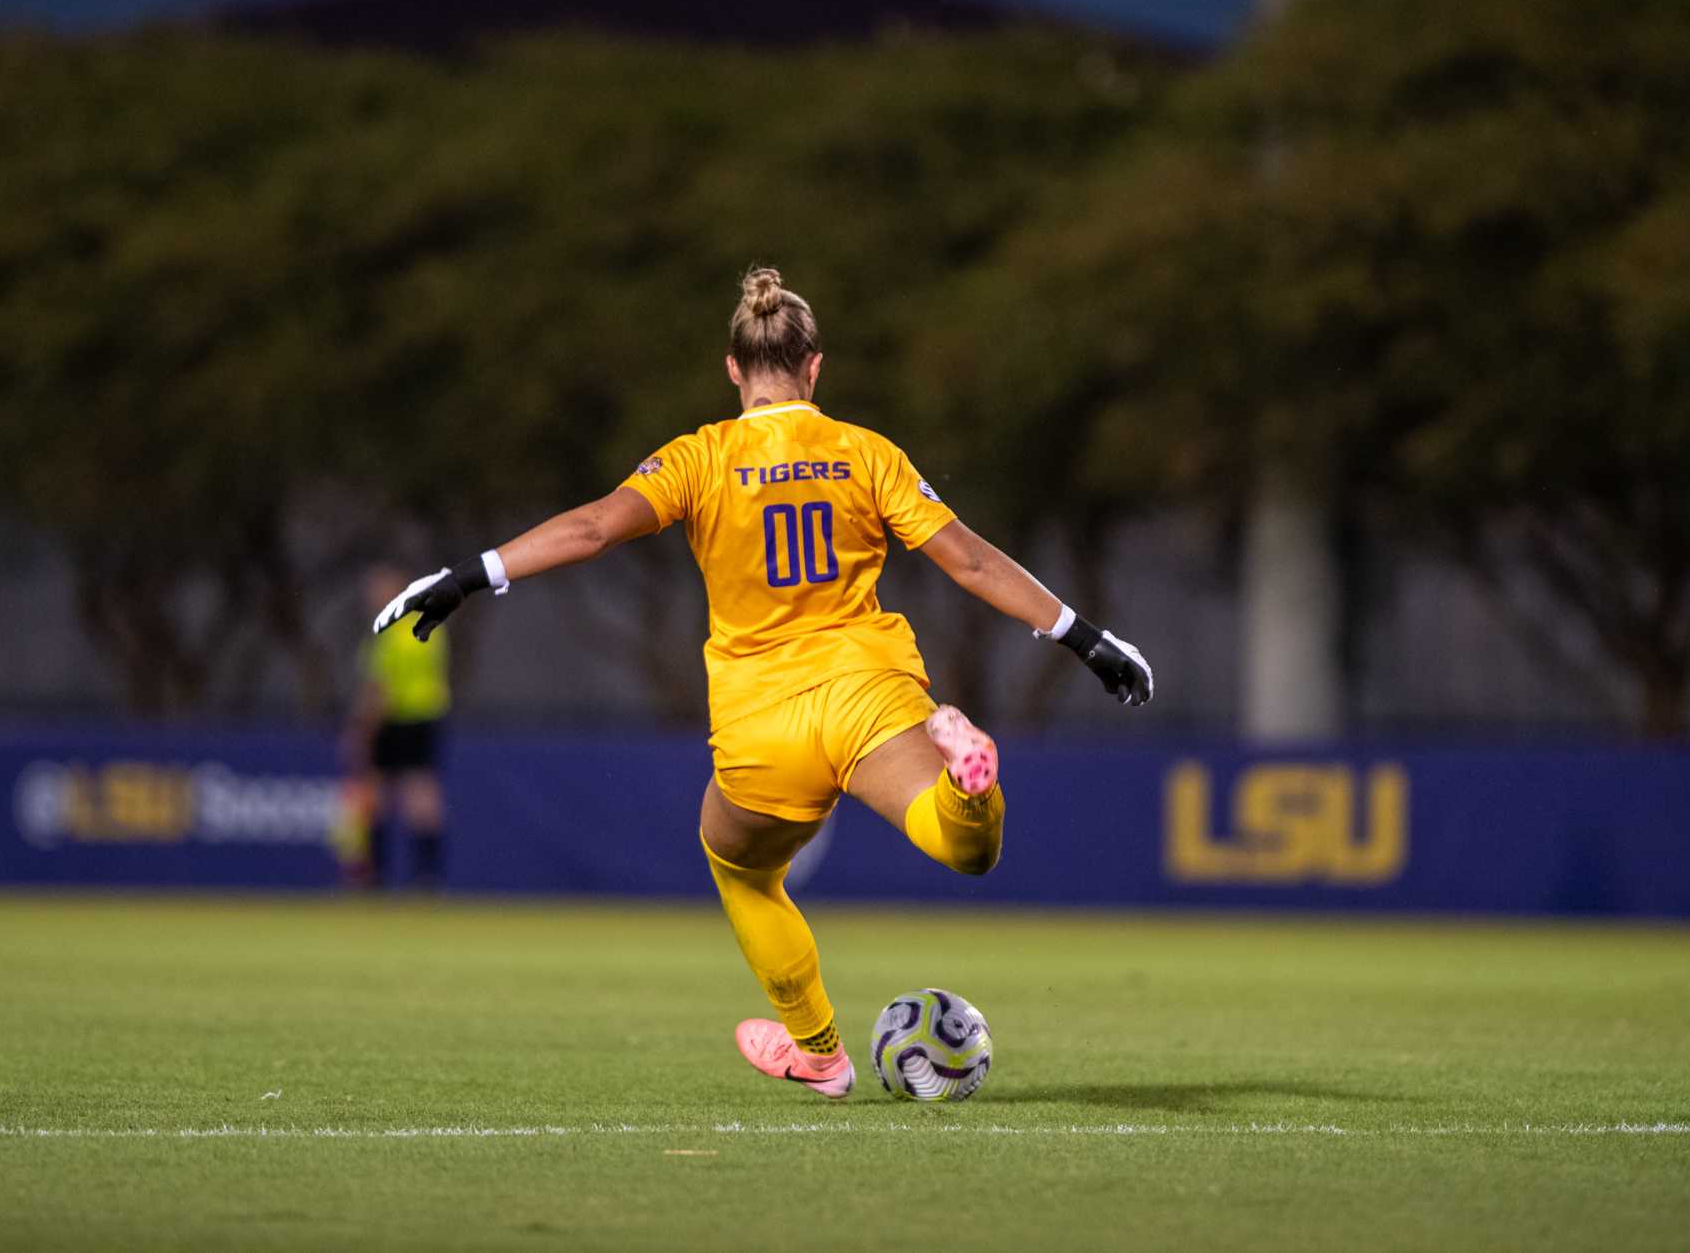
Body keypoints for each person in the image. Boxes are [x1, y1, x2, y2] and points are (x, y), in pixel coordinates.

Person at [372, 268, 1152, 1097]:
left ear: (734, 369)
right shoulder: (865, 451)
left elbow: (595, 526)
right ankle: (968, 785)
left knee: (738, 866)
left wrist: (466, 574)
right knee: (967, 848)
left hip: (759, 722)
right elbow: (969, 558)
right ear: (815, 366)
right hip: (866, 688)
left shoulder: (700, 456)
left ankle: (820, 1050)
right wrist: (1084, 634)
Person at [342, 564, 453, 888]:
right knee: (422, 793)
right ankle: (427, 876)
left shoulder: (388, 631)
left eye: (376, 590)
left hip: (393, 718)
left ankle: (376, 875)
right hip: (429, 713)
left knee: (378, 794)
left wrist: (362, 730)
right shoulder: (433, 624)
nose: (370, 598)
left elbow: (377, 688)